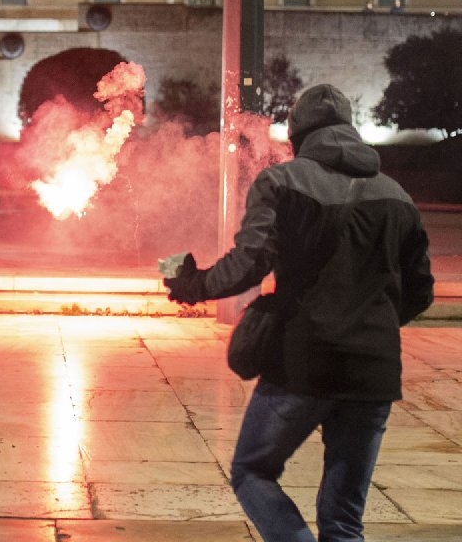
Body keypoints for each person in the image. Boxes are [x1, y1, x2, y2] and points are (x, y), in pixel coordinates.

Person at [163, 84, 434, 542]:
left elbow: (250, 263)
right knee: (344, 520)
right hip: (373, 371)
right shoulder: (398, 197)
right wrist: (370, 323)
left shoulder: (282, 182)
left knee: (252, 471)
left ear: (298, 136)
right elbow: (420, 291)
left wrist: (194, 285)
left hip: (303, 360)